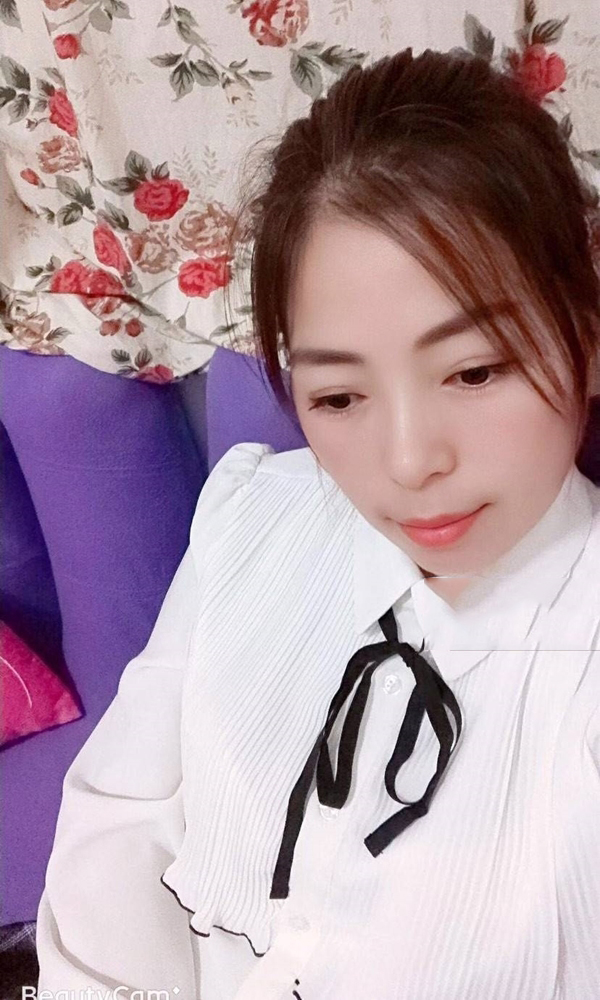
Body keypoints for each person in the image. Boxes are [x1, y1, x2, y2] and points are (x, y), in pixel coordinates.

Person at [36, 46, 600, 999]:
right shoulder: (256, 517)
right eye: (339, 396)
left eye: (474, 372)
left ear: (584, 333)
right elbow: (116, 833)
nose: (410, 462)